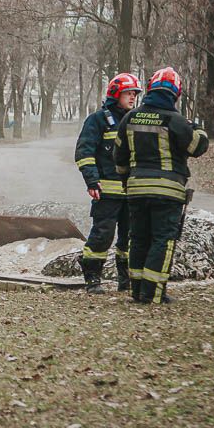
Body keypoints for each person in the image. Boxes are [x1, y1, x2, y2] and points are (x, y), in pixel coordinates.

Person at [114, 67, 209, 305]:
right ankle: (153, 294)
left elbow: (119, 157)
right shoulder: (176, 121)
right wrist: (196, 128)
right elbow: (197, 147)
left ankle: (137, 291)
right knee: (162, 240)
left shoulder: (130, 117)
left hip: (136, 191)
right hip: (167, 193)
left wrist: (128, 181)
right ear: (175, 94)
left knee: (138, 239)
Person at [74, 73, 142, 294]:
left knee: (130, 238)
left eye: (134, 94)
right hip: (106, 192)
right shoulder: (98, 120)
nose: (132, 98)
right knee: (103, 235)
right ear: (116, 94)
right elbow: (85, 152)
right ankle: (92, 277)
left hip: (132, 191)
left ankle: (126, 279)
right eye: (128, 93)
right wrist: (92, 180)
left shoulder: (136, 120)